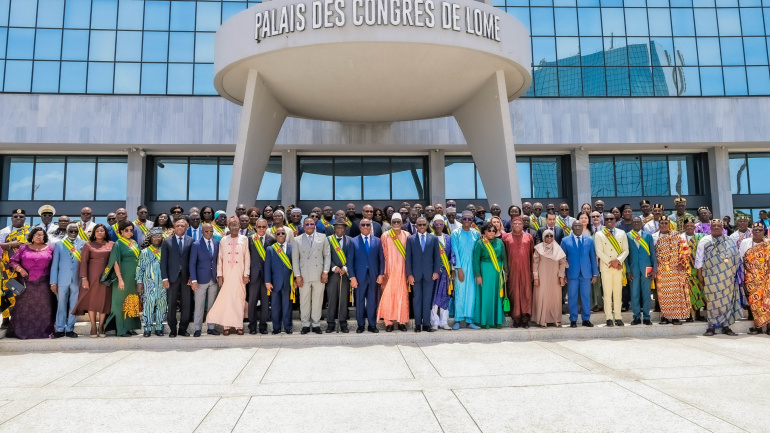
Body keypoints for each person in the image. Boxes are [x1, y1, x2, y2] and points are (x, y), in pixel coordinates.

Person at [6, 227, 55, 339]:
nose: (39, 237)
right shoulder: (23, 249)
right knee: (24, 308)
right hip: (26, 284)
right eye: (36, 234)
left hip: (43, 284)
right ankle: (22, 332)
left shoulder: (50, 249)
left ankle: (43, 332)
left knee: (44, 308)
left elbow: (56, 264)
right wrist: (20, 269)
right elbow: (13, 261)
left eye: (41, 235)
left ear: (44, 237)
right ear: (32, 236)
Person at [696, 219, 741, 336]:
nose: (716, 227)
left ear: (723, 228)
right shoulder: (704, 241)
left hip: (727, 278)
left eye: (718, 225)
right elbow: (699, 259)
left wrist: (733, 274)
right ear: (710, 228)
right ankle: (711, 326)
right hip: (711, 277)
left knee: (726, 301)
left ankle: (726, 326)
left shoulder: (730, 240)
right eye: (714, 225)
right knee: (712, 302)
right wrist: (700, 275)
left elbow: (736, 258)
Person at [207, 217, 250, 335]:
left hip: (240, 274)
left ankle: (238, 326)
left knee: (239, 299)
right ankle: (226, 326)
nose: (234, 228)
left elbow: (247, 257)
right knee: (227, 299)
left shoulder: (244, 239)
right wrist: (220, 275)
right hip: (227, 274)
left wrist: (246, 274)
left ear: (239, 227)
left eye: (236, 226)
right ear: (229, 227)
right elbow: (219, 259)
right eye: (232, 226)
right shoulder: (223, 240)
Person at [72, 224, 113, 337]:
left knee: (104, 301)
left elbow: (114, 261)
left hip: (106, 277)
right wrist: (84, 278)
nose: (100, 232)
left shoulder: (112, 244)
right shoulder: (88, 245)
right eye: (98, 231)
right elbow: (83, 262)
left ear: (105, 232)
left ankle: (101, 326)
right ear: (94, 233)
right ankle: (93, 326)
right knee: (92, 301)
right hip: (92, 276)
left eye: (102, 231)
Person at [292, 216, 331, 334]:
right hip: (303, 274)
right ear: (303, 226)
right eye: (307, 224)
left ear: (315, 225)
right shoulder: (297, 239)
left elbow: (327, 256)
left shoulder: (323, 237)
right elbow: (295, 259)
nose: (309, 226)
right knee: (304, 300)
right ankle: (305, 324)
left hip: (319, 273)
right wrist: (297, 275)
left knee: (318, 299)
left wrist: (325, 272)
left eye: (311, 224)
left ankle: (316, 324)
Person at [103, 221, 141, 337]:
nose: (129, 232)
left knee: (132, 301)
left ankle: (129, 327)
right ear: (121, 232)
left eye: (131, 230)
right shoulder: (118, 243)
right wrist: (119, 278)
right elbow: (115, 262)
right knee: (120, 302)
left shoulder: (134, 242)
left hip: (134, 276)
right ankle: (121, 329)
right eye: (126, 230)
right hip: (123, 276)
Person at [348, 217, 385, 333]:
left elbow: (381, 259)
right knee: (359, 301)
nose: (365, 227)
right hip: (359, 277)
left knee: (372, 302)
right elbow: (350, 261)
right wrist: (352, 277)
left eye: (367, 225)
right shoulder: (353, 241)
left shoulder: (377, 241)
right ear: (359, 227)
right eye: (363, 225)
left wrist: (381, 274)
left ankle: (372, 325)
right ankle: (360, 325)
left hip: (374, 276)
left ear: (370, 227)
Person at [405, 217, 441, 333]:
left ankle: (426, 324)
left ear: (427, 226)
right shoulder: (410, 239)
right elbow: (408, 258)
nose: (421, 227)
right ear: (416, 226)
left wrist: (436, 271)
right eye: (419, 225)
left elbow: (437, 256)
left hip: (429, 274)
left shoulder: (433, 238)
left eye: (423, 225)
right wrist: (409, 274)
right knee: (417, 300)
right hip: (415, 275)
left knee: (427, 300)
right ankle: (417, 324)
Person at [49, 223, 84, 338]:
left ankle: (70, 329)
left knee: (74, 305)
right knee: (61, 305)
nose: (73, 233)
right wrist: (53, 282)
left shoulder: (83, 244)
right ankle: (59, 329)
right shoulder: (59, 244)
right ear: (67, 232)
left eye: (75, 231)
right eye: (71, 231)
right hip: (62, 280)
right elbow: (55, 264)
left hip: (77, 280)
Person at [594, 212, 629, 327]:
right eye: (607, 219)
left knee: (618, 294)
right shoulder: (599, 234)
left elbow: (626, 250)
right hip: (607, 267)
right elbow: (599, 251)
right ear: (604, 220)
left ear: (615, 220)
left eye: (611, 219)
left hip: (618, 267)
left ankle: (618, 317)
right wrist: (611, 262)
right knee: (608, 294)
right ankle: (609, 317)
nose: (609, 221)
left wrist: (618, 261)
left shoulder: (622, 233)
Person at [654, 216, 690, 326]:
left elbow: (685, 249)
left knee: (675, 294)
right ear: (658, 224)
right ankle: (665, 316)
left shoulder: (676, 235)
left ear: (669, 224)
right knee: (663, 295)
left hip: (675, 269)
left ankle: (675, 317)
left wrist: (682, 263)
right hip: (662, 270)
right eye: (662, 223)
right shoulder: (654, 237)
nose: (664, 225)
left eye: (666, 223)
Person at [561, 221, 597, 328]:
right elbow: (562, 259)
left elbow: (592, 257)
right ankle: (573, 320)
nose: (577, 228)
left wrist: (595, 273)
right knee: (572, 297)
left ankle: (586, 319)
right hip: (571, 274)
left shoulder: (589, 240)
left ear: (583, 227)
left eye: (579, 226)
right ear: (572, 228)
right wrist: (563, 274)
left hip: (586, 273)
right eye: (575, 226)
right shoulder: (565, 240)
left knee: (586, 297)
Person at [161, 219, 193, 337]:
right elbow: (163, 262)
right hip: (172, 278)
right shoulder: (167, 241)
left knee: (186, 303)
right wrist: (164, 278)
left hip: (186, 278)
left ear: (186, 227)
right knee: (172, 303)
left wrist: (192, 277)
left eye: (183, 226)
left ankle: (183, 329)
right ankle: (173, 329)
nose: (180, 227)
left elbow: (193, 261)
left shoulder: (191, 241)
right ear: (174, 226)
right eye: (178, 225)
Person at [378, 213, 410, 331]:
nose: (396, 224)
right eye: (394, 222)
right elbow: (382, 256)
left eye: (398, 222)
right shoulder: (385, 236)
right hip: (389, 271)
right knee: (388, 297)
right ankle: (388, 322)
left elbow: (410, 256)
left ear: (402, 223)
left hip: (402, 271)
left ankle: (401, 321)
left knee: (402, 296)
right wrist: (382, 272)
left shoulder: (407, 235)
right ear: (390, 223)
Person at [502, 217, 535, 328]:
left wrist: (532, 271)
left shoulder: (528, 237)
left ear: (522, 225)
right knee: (514, 293)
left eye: (519, 223)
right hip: (512, 271)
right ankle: (516, 319)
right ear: (511, 224)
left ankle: (525, 319)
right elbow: (504, 256)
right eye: (515, 223)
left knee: (526, 293)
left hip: (526, 270)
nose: (517, 225)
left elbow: (532, 255)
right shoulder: (506, 238)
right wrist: (505, 271)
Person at [473, 223, 507, 328]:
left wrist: (505, 271)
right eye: (489, 230)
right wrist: (478, 275)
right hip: (485, 271)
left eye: (493, 230)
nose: (491, 232)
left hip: (497, 272)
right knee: (486, 296)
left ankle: (497, 320)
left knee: (497, 295)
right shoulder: (480, 243)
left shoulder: (500, 242)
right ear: (484, 232)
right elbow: (475, 260)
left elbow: (504, 257)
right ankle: (485, 321)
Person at [190, 223, 221, 336]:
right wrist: (193, 280)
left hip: (213, 279)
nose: (209, 233)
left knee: (212, 305)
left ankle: (211, 327)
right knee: (199, 305)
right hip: (200, 280)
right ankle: (197, 328)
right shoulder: (196, 244)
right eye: (206, 231)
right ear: (202, 232)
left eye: (211, 231)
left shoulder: (217, 243)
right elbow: (192, 264)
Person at [451, 211, 481, 329]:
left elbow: (478, 252)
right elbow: (455, 252)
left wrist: (478, 270)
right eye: (465, 219)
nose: (467, 221)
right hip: (461, 267)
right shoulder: (455, 233)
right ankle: (458, 319)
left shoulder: (476, 234)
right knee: (460, 292)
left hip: (473, 267)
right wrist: (459, 269)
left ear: (472, 220)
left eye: (469, 219)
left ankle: (469, 320)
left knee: (471, 293)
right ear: (461, 220)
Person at [531, 228, 567, 328]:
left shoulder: (558, 248)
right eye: (547, 236)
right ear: (543, 237)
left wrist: (561, 276)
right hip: (542, 277)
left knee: (555, 298)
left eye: (551, 236)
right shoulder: (538, 248)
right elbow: (535, 263)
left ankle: (556, 319)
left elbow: (562, 263)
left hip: (555, 277)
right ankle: (543, 320)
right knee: (543, 297)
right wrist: (536, 277)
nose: (549, 238)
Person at [136, 228, 167, 337]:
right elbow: (140, 268)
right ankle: (147, 328)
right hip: (148, 283)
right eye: (154, 236)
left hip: (162, 284)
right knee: (148, 306)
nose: (156, 238)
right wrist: (139, 282)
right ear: (150, 238)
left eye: (158, 236)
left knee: (161, 305)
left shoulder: (165, 250)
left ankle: (159, 327)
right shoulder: (145, 252)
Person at [246, 218, 275, 335]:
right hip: (253, 275)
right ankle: (252, 326)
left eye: (264, 227)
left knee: (265, 301)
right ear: (255, 228)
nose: (262, 229)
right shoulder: (250, 239)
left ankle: (263, 326)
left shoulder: (271, 240)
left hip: (266, 276)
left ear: (266, 227)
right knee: (252, 301)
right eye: (259, 227)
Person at [626, 217, 656, 326]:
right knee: (634, 294)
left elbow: (653, 254)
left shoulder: (648, 236)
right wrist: (627, 270)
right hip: (633, 269)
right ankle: (636, 317)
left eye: (638, 222)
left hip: (647, 268)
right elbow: (626, 255)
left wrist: (654, 269)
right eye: (634, 222)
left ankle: (647, 317)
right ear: (632, 224)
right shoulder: (628, 236)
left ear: (642, 223)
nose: (636, 223)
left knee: (646, 294)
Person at [741, 223, 770, 334]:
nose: (757, 232)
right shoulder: (745, 243)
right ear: (751, 231)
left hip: (767, 277)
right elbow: (741, 260)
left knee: (768, 302)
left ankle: (769, 328)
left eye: (760, 230)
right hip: (751, 278)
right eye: (755, 230)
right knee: (754, 302)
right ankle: (757, 327)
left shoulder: (768, 244)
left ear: (764, 231)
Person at [265, 226, 294, 334]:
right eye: (278, 234)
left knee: (287, 306)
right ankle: (276, 328)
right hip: (275, 282)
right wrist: (267, 282)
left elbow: (294, 265)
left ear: (286, 235)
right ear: (275, 236)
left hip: (288, 282)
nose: (281, 235)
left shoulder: (292, 247)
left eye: (283, 233)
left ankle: (288, 327)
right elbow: (267, 267)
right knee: (275, 306)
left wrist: (295, 280)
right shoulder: (270, 249)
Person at [326, 218, 353, 333]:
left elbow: (351, 257)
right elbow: (326, 256)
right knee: (332, 299)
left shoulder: (350, 241)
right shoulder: (328, 240)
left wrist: (345, 267)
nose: (339, 229)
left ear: (345, 229)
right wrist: (333, 267)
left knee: (343, 299)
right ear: (334, 229)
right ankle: (330, 323)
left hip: (345, 274)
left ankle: (343, 322)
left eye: (342, 228)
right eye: (337, 228)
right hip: (333, 274)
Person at [429, 216, 453, 330]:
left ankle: (444, 322)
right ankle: (434, 322)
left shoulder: (448, 238)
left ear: (444, 225)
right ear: (433, 225)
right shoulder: (430, 237)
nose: (439, 226)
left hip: (446, 272)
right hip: (434, 272)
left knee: (445, 296)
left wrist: (452, 269)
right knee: (433, 297)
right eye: (437, 224)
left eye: (441, 224)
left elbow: (452, 254)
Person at [680, 218, 706, 322]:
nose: (689, 227)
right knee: (687, 293)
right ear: (684, 227)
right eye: (687, 226)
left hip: (697, 270)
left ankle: (698, 314)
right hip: (685, 270)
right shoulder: (680, 238)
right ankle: (689, 315)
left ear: (695, 227)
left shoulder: (700, 237)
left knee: (699, 292)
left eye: (691, 226)